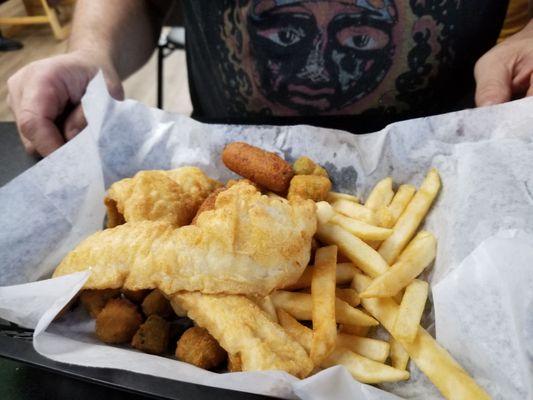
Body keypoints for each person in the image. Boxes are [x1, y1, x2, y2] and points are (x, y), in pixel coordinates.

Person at [6, 1, 533, 157]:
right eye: (287, 34)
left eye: (358, 39)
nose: (314, 72)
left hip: (456, 171)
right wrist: (93, 53)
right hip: (218, 165)